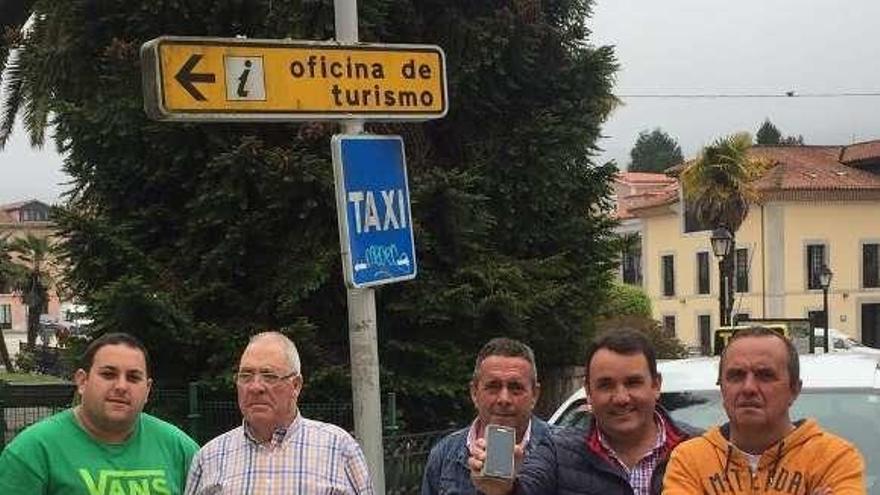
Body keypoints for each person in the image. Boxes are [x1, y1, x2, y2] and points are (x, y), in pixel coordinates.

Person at [470, 328, 697, 494]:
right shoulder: (557, 454)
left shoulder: (698, 451)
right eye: (606, 385)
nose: (621, 398)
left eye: (633, 383)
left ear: (656, 385)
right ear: (588, 391)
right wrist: (502, 490)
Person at [663, 326, 866, 494]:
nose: (748, 388)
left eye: (765, 375)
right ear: (722, 387)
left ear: (794, 389)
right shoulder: (689, 460)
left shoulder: (833, 458)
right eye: (736, 375)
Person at [0, 332, 199, 494]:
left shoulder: (181, 450)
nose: (121, 386)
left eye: (133, 377)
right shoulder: (32, 451)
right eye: (108, 374)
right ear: (82, 381)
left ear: (147, 390)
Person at [185, 331, 374, 494]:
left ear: (296, 385)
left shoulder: (339, 449)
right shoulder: (209, 457)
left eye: (269, 376)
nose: (255, 387)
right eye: (246, 376)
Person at [421, 337, 551, 495]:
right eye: (493, 387)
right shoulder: (444, 455)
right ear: (474, 393)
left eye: (515, 388)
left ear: (535, 395)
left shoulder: (560, 452)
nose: (504, 399)